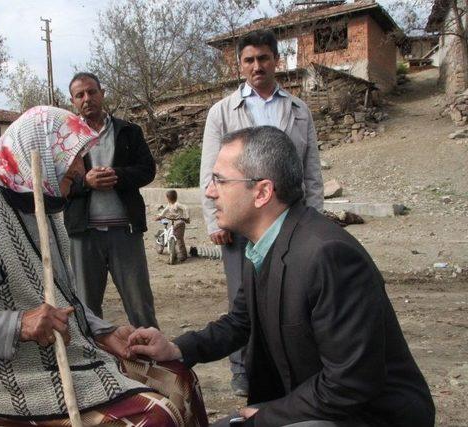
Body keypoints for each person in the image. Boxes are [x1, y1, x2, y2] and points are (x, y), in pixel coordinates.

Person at [0, 106, 207, 426]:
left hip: (70, 362)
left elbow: (61, 298)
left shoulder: (40, 208)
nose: (78, 167)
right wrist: (18, 324)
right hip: (15, 381)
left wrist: (104, 332)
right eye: (71, 155)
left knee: (180, 380)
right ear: (41, 154)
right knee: (155, 418)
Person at [128, 126, 435, 427]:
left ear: (262, 192)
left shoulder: (328, 256)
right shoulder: (263, 240)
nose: (209, 192)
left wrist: (268, 417)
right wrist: (176, 349)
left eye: (219, 180)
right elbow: (240, 322)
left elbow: (351, 381)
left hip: (369, 414)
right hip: (317, 400)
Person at [200, 29, 324, 395]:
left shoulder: (298, 110)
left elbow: (311, 170)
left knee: (292, 295)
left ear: (277, 61)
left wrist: (314, 217)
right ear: (240, 65)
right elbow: (211, 170)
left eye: (264, 58)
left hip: (289, 218)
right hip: (242, 224)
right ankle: (244, 373)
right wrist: (214, 219)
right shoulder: (222, 112)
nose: (257, 66)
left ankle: (293, 371)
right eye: (249, 60)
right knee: (244, 301)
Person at [64, 72, 159, 328]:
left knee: (140, 305)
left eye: (92, 92)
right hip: (84, 234)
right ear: (72, 101)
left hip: (125, 231)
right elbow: (57, 184)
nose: (87, 99)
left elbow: (147, 170)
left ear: (102, 94)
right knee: (86, 308)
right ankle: (95, 362)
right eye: (80, 95)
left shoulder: (128, 131)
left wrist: (117, 175)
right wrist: (86, 183)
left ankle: (156, 361)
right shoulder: (65, 139)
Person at [155, 190, 190, 262]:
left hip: (180, 223)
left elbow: (186, 208)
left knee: (179, 239)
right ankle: (175, 251)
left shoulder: (177, 204)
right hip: (173, 222)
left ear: (168, 197)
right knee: (176, 237)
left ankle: (183, 255)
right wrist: (159, 216)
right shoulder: (169, 205)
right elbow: (164, 211)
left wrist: (187, 217)